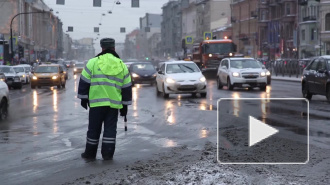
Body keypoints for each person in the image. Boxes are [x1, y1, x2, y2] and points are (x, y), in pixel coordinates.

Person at [77, 38, 132, 160]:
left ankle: (90, 154)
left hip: (96, 104)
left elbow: (84, 81)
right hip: (113, 105)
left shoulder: (93, 62)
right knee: (110, 130)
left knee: (94, 129)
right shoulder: (122, 65)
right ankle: (107, 154)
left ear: (102, 47)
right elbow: (127, 87)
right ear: (114, 48)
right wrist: (125, 106)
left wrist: (83, 98)